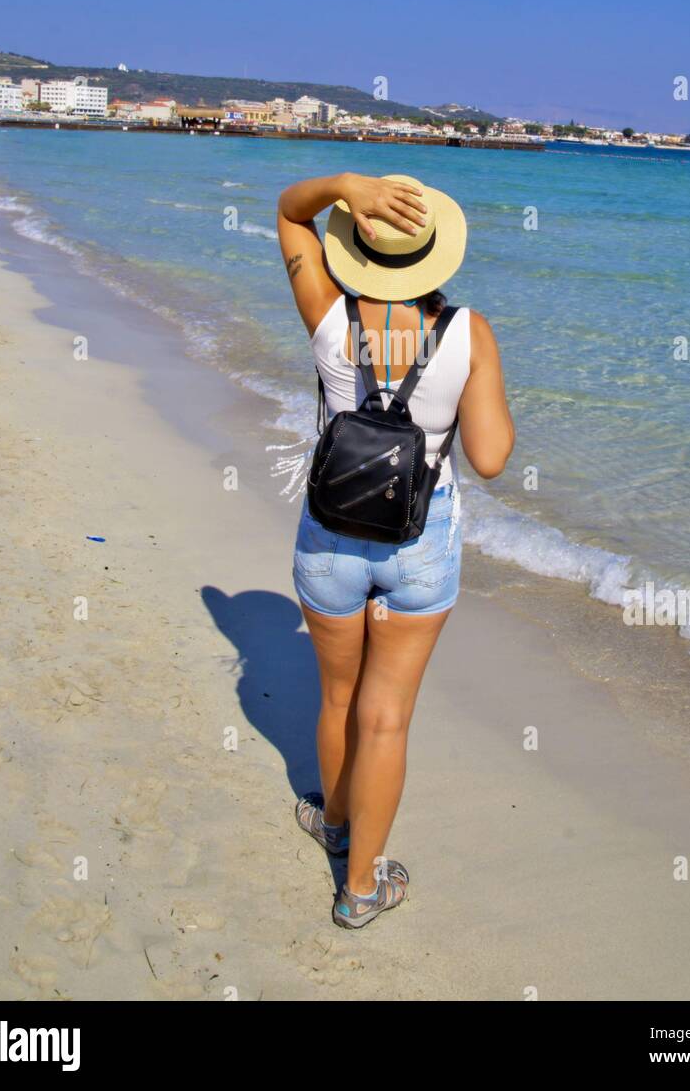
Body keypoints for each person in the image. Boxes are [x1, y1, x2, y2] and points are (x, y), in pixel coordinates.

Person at [277, 170, 514, 928]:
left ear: (354, 243)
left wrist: (342, 185)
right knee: (385, 719)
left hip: (330, 534)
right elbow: (489, 458)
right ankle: (360, 890)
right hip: (419, 543)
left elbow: (288, 213)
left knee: (339, 697)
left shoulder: (326, 312)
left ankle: (335, 825)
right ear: (436, 252)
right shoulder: (468, 331)